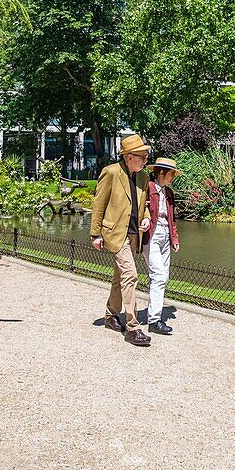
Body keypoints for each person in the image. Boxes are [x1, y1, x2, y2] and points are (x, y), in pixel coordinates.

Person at [90, 134, 152, 347]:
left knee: (119, 278)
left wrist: (146, 219)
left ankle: (110, 315)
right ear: (129, 157)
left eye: (146, 156)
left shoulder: (143, 178)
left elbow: (144, 206)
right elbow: (99, 205)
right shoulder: (111, 173)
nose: (145, 160)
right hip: (115, 233)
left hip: (133, 234)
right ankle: (133, 328)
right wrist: (95, 234)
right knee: (130, 276)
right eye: (142, 156)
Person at [144, 157, 182, 336]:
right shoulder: (148, 188)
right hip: (151, 235)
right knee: (158, 276)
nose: (172, 177)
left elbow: (171, 219)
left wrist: (174, 238)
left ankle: (154, 312)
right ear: (161, 173)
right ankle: (154, 320)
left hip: (165, 237)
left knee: (163, 276)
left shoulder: (169, 193)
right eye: (171, 174)